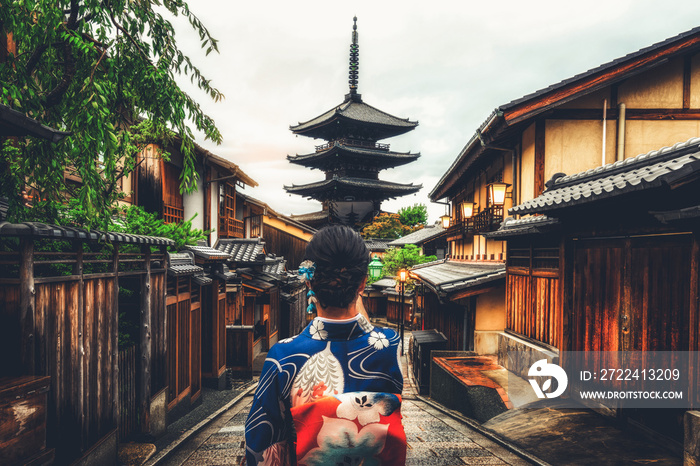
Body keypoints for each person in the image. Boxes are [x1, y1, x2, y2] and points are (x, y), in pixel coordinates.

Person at [244, 225, 406, 465]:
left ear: (309, 282)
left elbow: (260, 445)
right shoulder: (391, 345)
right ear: (362, 283)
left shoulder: (283, 356)